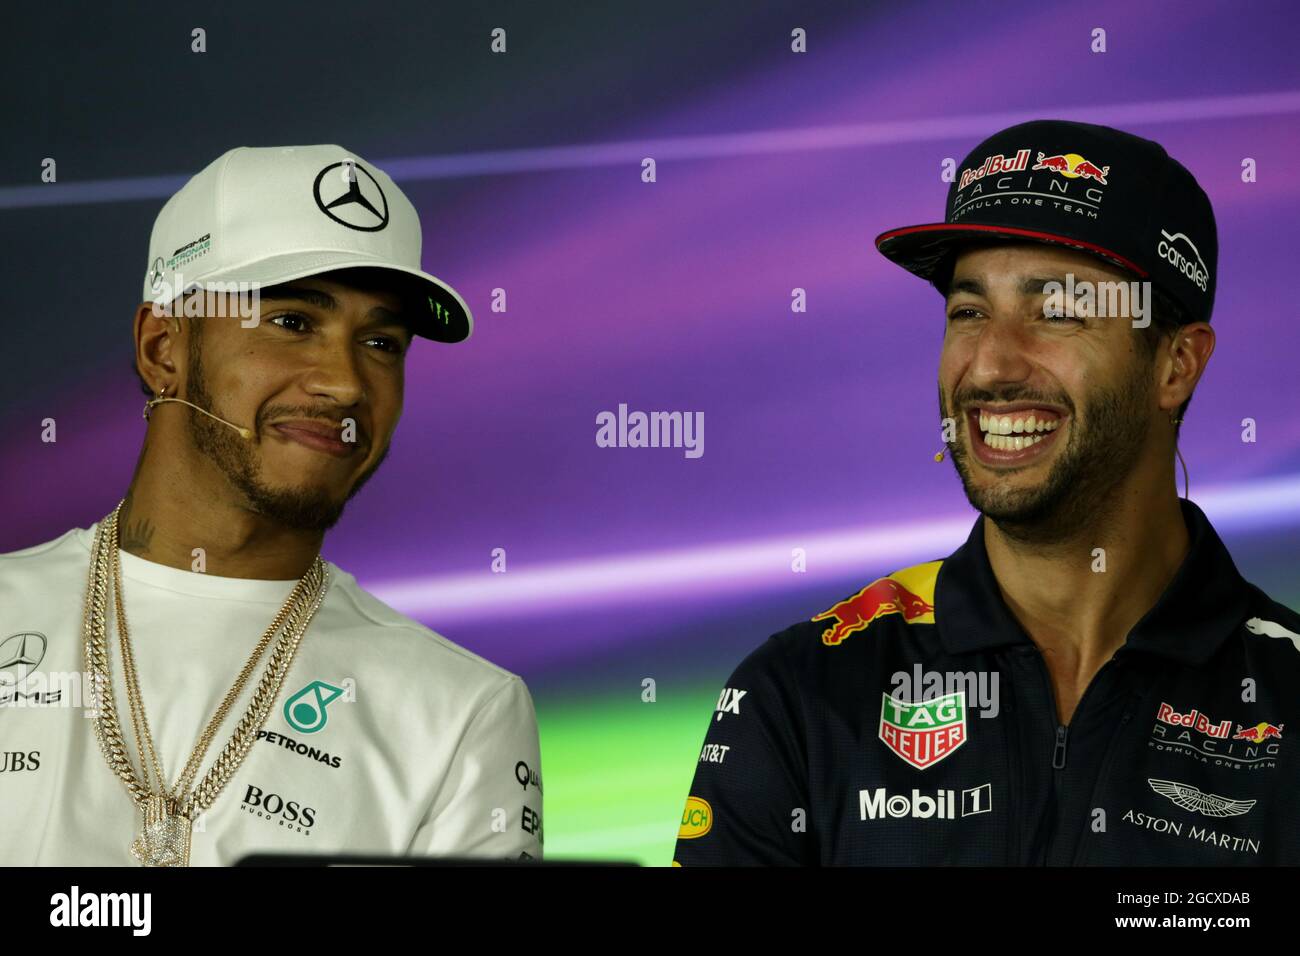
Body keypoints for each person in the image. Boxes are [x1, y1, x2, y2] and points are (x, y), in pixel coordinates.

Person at [673, 119, 1300, 865]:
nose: (993, 365)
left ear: (1176, 364)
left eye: (1056, 310)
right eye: (969, 312)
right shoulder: (802, 695)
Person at [0, 145, 542, 865]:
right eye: (291, 322)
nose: (345, 383)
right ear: (164, 347)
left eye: (381, 342)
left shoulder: (461, 714)